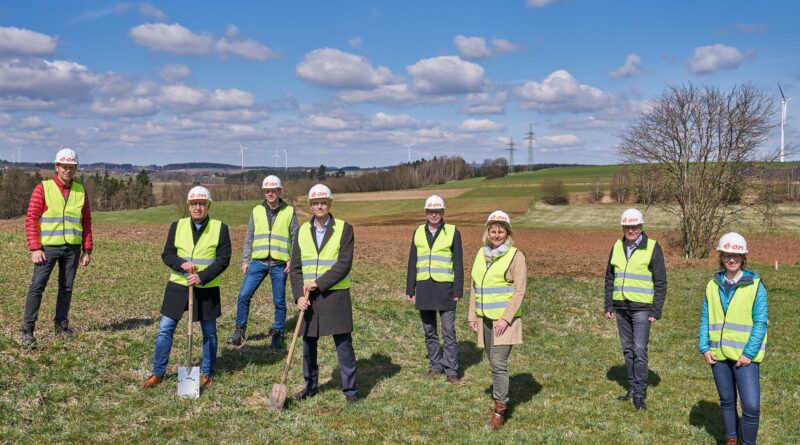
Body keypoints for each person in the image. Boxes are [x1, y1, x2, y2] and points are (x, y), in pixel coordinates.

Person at [141, 186, 231, 390]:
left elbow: (223, 260)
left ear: (208, 205)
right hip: (178, 286)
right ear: (188, 206)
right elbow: (167, 254)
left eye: (201, 204)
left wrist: (202, 276)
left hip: (206, 288)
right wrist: (181, 264)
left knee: (209, 332)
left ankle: (207, 373)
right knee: (165, 329)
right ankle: (158, 372)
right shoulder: (177, 226)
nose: (197, 208)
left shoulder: (220, 228)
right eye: (193, 204)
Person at [289, 184, 358, 404]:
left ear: (330, 203)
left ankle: (351, 391)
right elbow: (296, 268)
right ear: (310, 205)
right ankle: (310, 386)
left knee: (343, 344)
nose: (320, 205)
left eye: (323, 202)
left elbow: (344, 264)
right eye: (315, 202)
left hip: (334, 295)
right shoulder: (301, 231)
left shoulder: (344, 229)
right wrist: (299, 296)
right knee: (308, 344)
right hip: (309, 298)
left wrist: (319, 283)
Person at [698, 232, 767, 445]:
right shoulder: (713, 284)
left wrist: (748, 353)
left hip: (744, 356)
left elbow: (761, 322)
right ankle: (731, 438)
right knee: (727, 401)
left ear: (743, 257)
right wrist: (704, 347)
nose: (731, 259)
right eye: (727, 254)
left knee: (751, 406)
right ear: (721, 256)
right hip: (718, 354)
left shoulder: (755, 285)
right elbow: (705, 317)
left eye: (736, 255)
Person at [20, 148, 93, 347]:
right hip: (47, 248)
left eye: (72, 167)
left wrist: (87, 249)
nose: (68, 171)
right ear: (56, 167)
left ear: (75, 168)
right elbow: (32, 219)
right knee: (37, 287)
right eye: (64, 167)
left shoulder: (80, 190)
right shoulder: (43, 188)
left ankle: (61, 325)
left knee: (66, 288)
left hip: (72, 248)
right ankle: (27, 329)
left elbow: (86, 221)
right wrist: (35, 248)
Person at [468, 211, 527, 430]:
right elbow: (475, 286)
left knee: (499, 364)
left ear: (508, 233)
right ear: (487, 232)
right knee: (493, 363)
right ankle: (497, 402)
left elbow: (519, 291)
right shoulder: (480, 254)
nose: (496, 234)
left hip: (504, 322)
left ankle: (499, 410)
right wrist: (472, 315)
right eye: (493, 230)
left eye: (501, 230)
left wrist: (505, 319)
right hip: (485, 319)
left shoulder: (515, 256)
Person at [604, 208, 667, 411]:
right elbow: (609, 278)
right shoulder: (616, 246)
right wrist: (609, 304)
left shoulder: (652, 248)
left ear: (641, 227)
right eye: (627, 226)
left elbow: (660, 282)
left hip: (642, 308)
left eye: (635, 226)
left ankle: (639, 393)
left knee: (640, 350)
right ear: (623, 227)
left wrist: (656, 310)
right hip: (621, 307)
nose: (631, 230)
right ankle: (631, 388)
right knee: (628, 350)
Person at [227, 175, 299, 348]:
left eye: (273, 190)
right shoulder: (256, 211)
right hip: (257, 262)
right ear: (264, 192)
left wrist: (293, 259)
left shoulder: (289, 211)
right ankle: (240, 330)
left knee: (279, 301)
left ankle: (278, 332)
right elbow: (249, 237)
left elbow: (297, 237)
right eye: (267, 191)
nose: (270, 194)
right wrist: (245, 260)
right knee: (243, 295)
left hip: (279, 264)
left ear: (279, 191)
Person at [405, 195, 464, 385]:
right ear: (426, 213)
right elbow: (412, 262)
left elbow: (458, 263)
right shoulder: (418, 232)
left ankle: (451, 371)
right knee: (429, 331)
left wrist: (458, 290)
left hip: (445, 289)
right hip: (424, 289)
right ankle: (436, 365)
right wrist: (410, 288)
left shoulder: (453, 232)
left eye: (437, 211)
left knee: (448, 331)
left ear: (443, 212)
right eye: (430, 211)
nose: (434, 215)